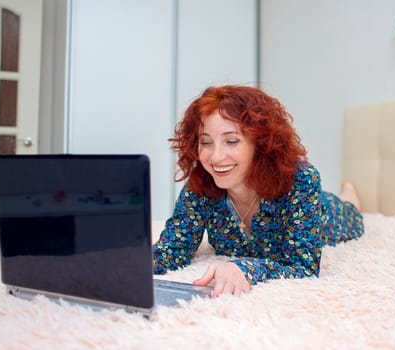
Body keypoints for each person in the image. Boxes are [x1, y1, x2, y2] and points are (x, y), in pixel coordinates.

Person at [152, 85, 364, 297]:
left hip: (327, 211)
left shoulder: (301, 181)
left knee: (350, 211)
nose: (215, 157)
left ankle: (350, 197)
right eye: (206, 142)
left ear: (261, 143)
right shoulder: (200, 186)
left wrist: (246, 269)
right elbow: (171, 251)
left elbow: (304, 268)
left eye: (231, 141)